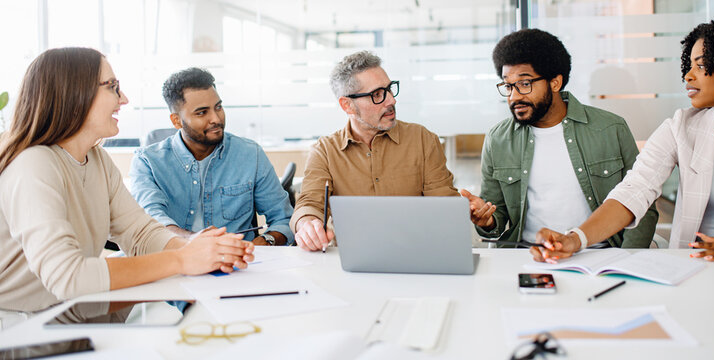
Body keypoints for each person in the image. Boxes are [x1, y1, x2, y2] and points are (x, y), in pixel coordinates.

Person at [532, 12, 714, 291]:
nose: (688, 75)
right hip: (701, 267)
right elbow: (634, 191)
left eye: (702, 65)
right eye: (690, 65)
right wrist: (575, 239)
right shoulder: (680, 128)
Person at [0, 48, 254, 316]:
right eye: (112, 87)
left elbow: (139, 233)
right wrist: (183, 259)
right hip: (20, 328)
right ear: (73, 94)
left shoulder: (97, 160)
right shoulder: (32, 164)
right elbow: (68, 276)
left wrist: (199, 249)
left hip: (64, 314)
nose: (123, 98)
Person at [461, 29, 658, 248]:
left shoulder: (611, 129)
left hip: (600, 254)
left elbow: (642, 205)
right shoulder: (498, 139)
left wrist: (627, 261)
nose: (514, 96)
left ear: (555, 83)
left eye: (525, 84)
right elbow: (496, 215)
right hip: (527, 253)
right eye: (508, 86)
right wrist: (487, 220)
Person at [291, 51, 458, 251]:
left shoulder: (422, 140)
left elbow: (444, 207)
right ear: (348, 105)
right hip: (352, 261)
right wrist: (307, 224)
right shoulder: (325, 151)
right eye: (377, 94)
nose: (391, 101)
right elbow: (309, 203)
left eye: (389, 89)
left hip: (416, 256)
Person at [129, 68, 293, 246]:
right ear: (176, 121)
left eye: (218, 107)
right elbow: (151, 224)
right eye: (202, 112)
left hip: (239, 267)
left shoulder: (250, 154)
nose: (216, 118)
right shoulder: (147, 162)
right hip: (173, 262)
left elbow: (284, 220)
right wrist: (193, 241)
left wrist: (261, 244)